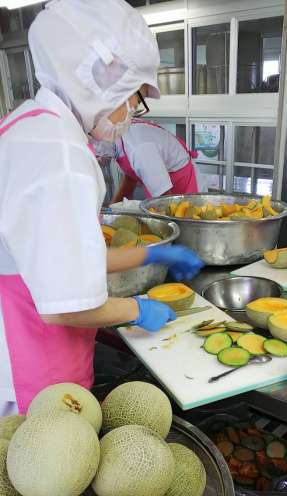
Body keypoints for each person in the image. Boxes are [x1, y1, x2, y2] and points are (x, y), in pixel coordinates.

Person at [0, 0, 203, 417]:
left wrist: (150, 254)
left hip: (24, 332)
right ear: (103, 81)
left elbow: (65, 259)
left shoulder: (30, 123)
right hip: (34, 358)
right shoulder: (62, 158)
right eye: (135, 97)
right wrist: (137, 310)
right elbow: (67, 305)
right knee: (50, 451)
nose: (133, 111)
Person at [93, 119, 199, 203]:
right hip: (162, 187)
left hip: (181, 183)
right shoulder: (117, 141)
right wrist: (114, 210)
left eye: (96, 156)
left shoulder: (139, 148)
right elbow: (130, 178)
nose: (99, 160)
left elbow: (165, 201)